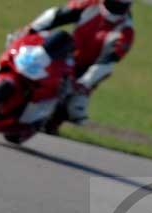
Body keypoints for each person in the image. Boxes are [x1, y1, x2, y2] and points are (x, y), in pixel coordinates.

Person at [24, 0, 135, 130]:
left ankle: (53, 121)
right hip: (65, 53)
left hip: (86, 70)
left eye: (121, 5)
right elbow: (57, 16)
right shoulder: (89, 4)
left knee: (75, 106)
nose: (116, 8)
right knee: (33, 62)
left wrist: (84, 83)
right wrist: (31, 30)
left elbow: (108, 61)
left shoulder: (126, 30)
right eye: (113, 3)